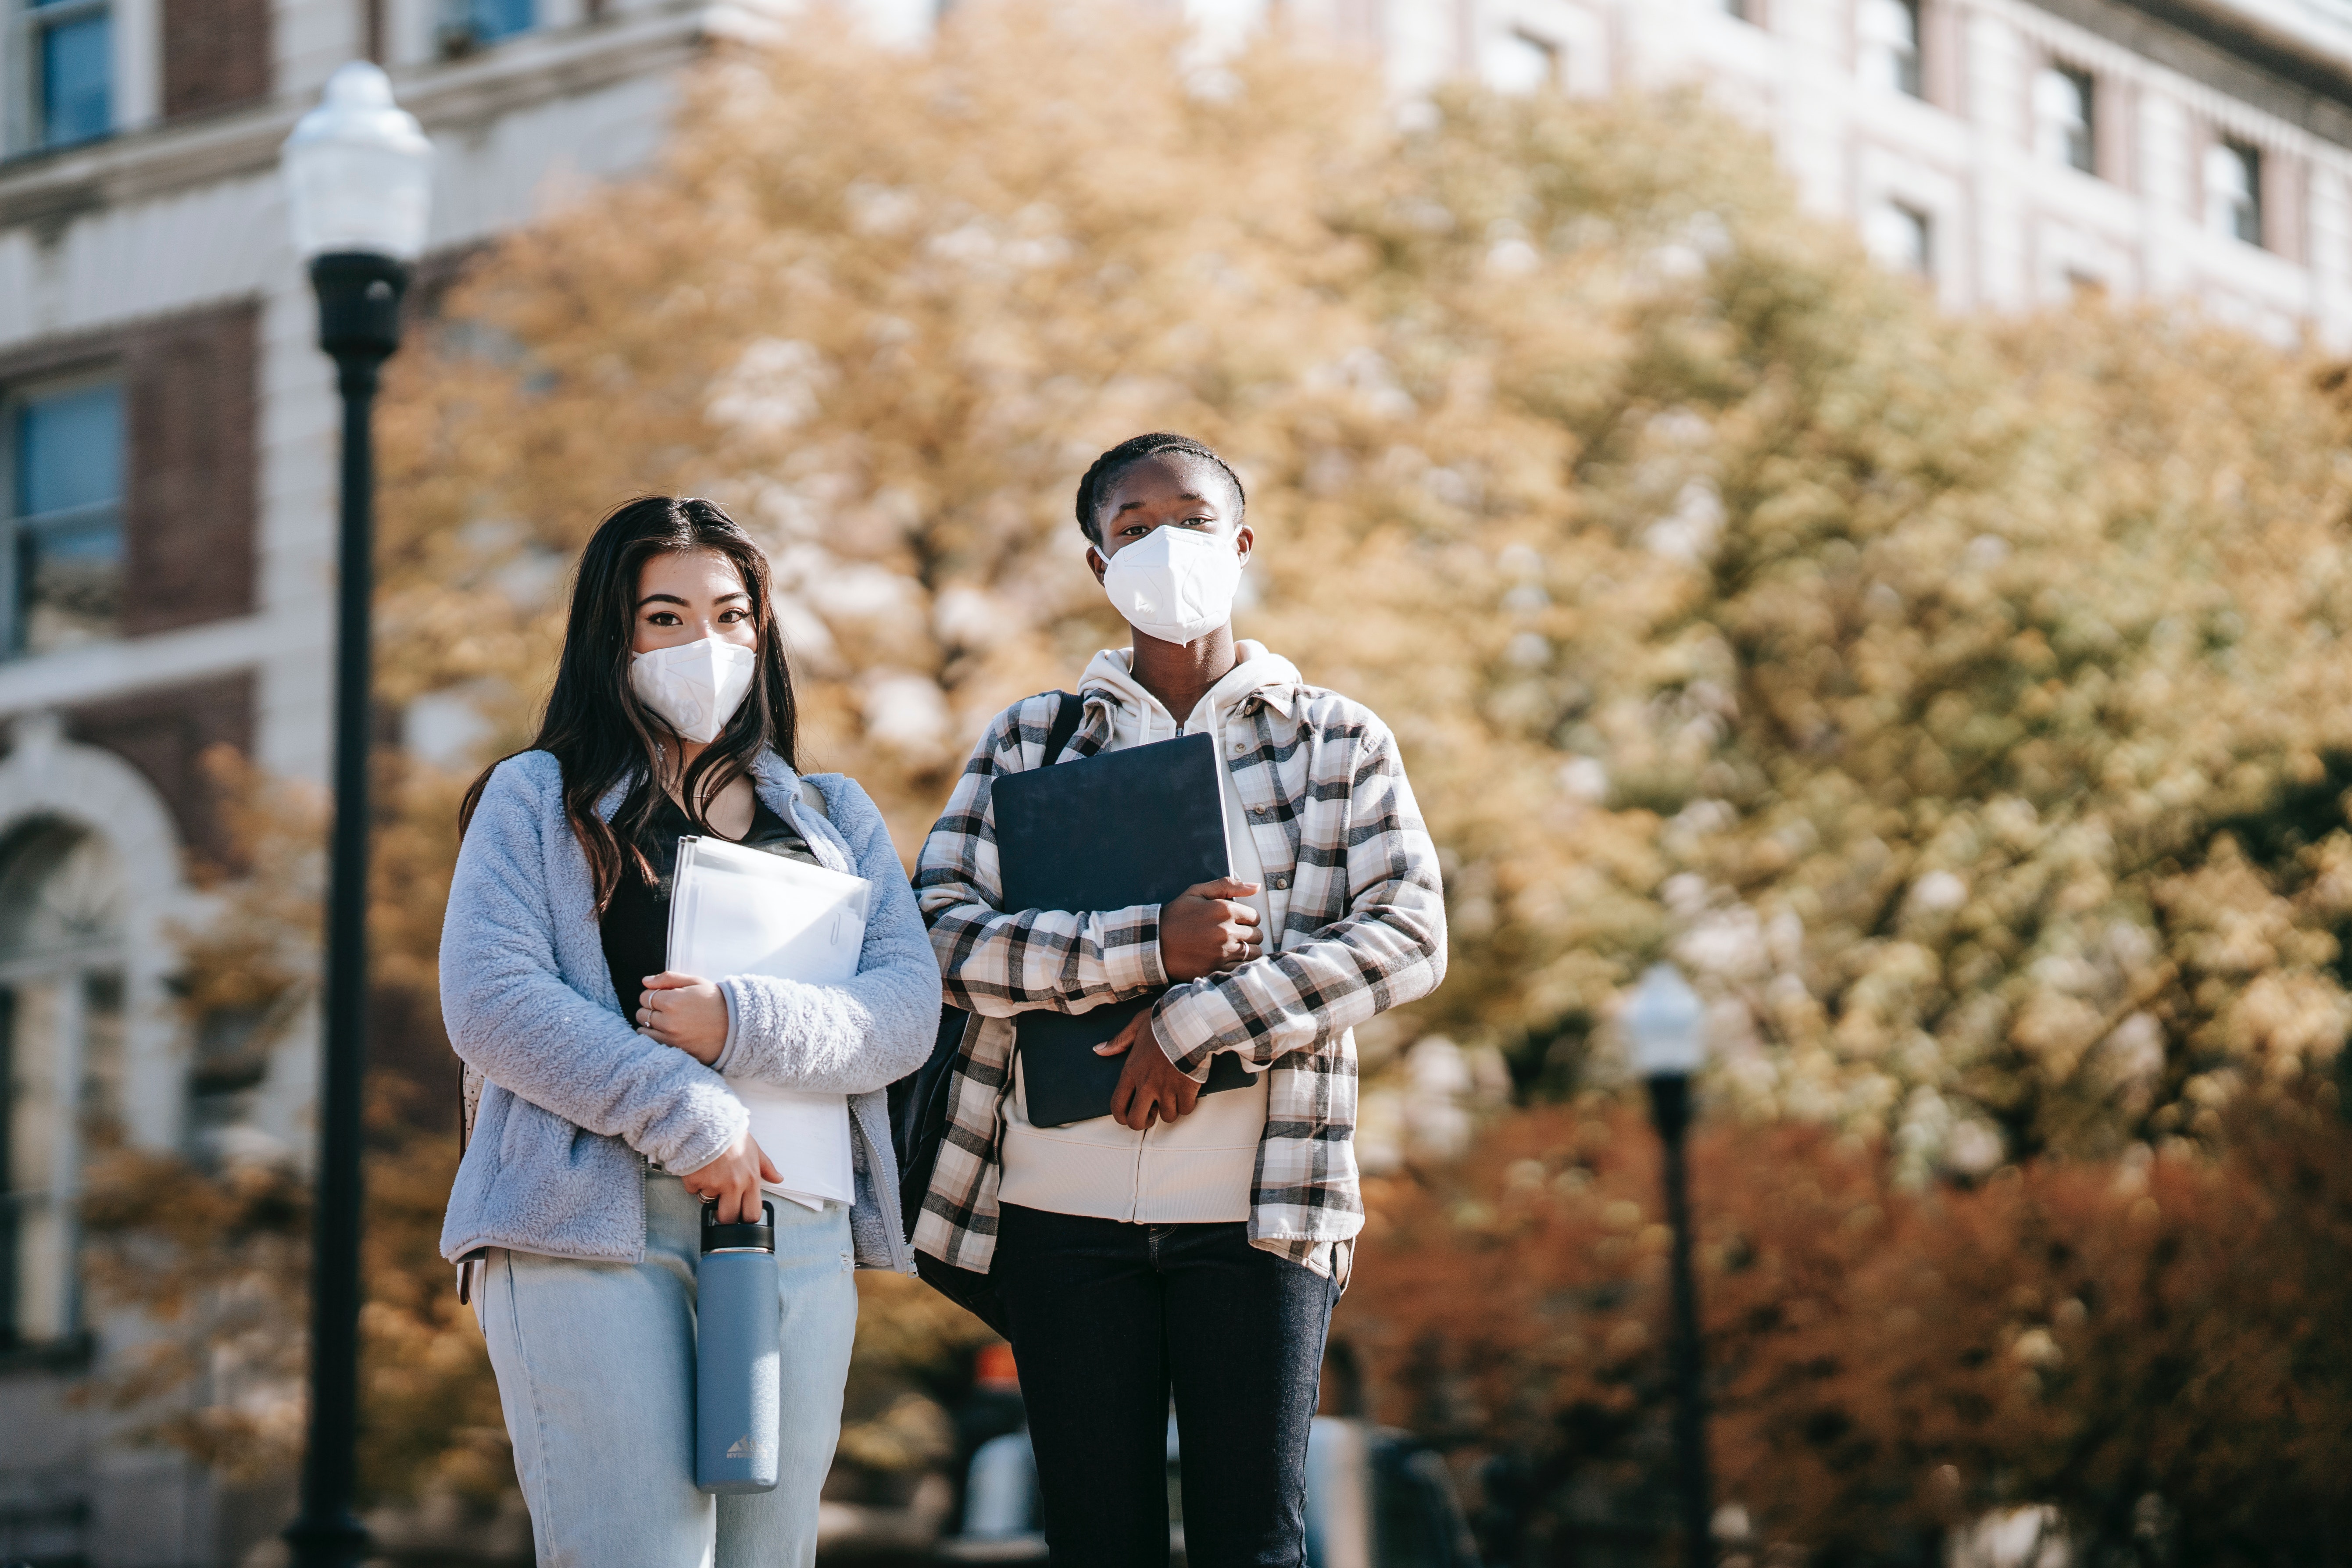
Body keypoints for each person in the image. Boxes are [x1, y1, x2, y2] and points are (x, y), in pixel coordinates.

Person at [913, 434, 1449, 1567]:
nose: (1165, 546)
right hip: (1057, 1207)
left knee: (1254, 1544)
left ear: (1244, 543)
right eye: (1132, 528)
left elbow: (1406, 939)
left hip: (1261, 1211)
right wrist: (1145, 949)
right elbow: (939, 940)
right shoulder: (1028, 740)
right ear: (1097, 563)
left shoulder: (1336, 740)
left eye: (1193, 521)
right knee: (1096, 1542)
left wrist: (1195, 1021)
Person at [437, 496, 941, 1568]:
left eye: (728, 615)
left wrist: (737, 1023)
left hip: (794, 1227)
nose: (702, 644)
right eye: (663, 617)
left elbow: (904, 1012)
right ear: (611, 637)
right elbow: (492, 999)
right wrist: (689, 1112)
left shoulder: (834, 814)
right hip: (589, 1225)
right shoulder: (537, 798)